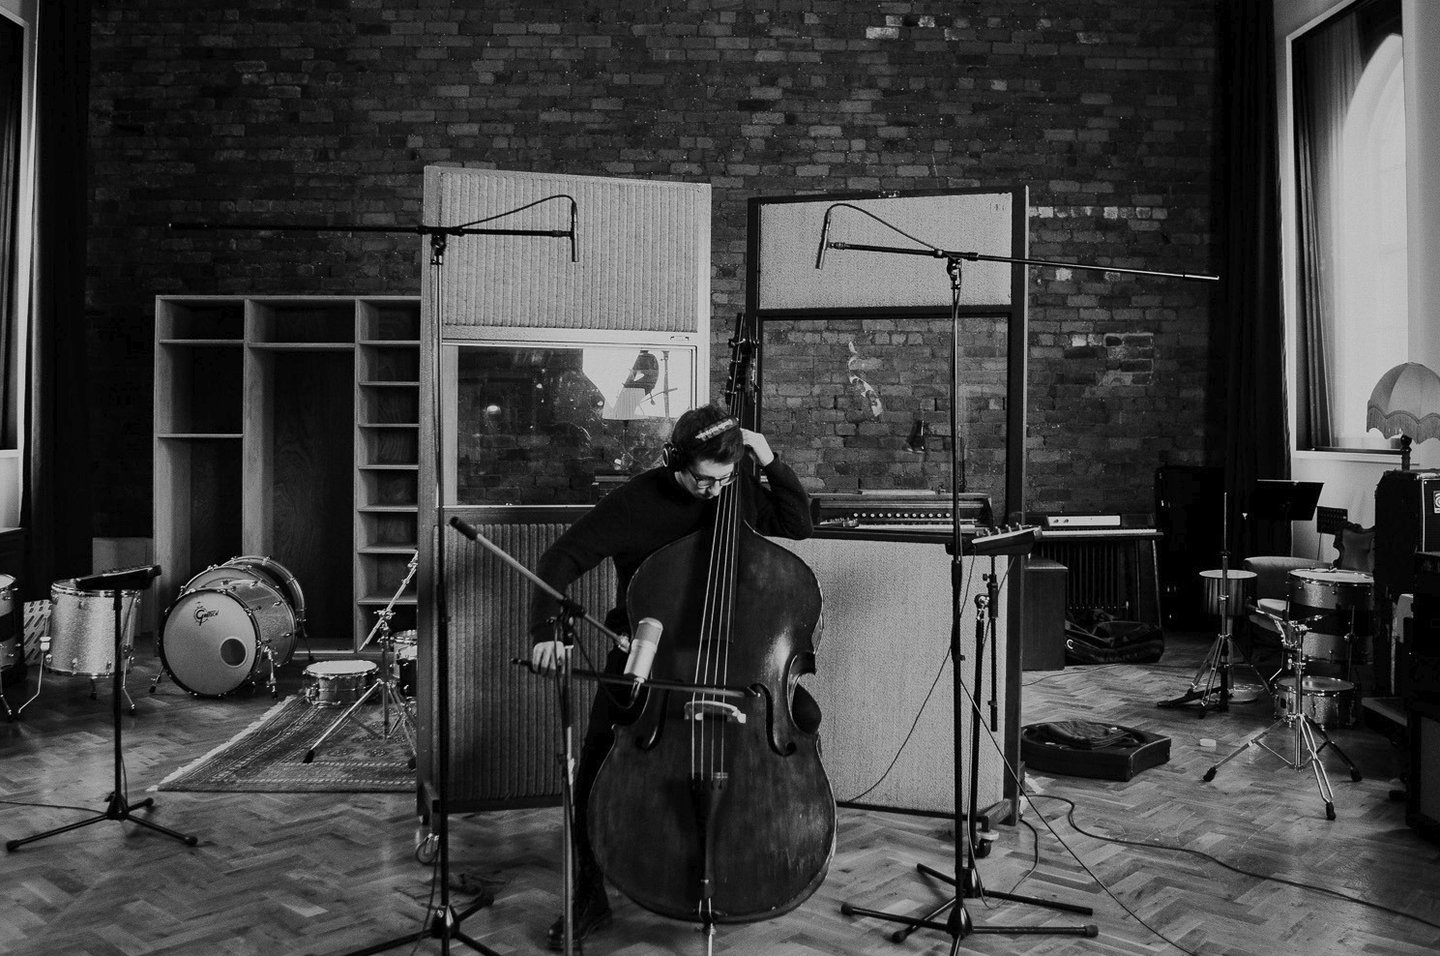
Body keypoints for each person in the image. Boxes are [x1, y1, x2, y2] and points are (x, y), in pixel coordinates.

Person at [527, 402, 815, 950]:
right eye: (704, 480)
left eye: (725, 480)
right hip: (648, 656)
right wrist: (544, 630)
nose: (714, 492)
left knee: (804, 720)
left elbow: (799, 525)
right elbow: (560, 558)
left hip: (742, 667)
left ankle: (749, 862)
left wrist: (768, 460)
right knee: (593, 768)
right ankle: (588, 893)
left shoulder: (738, 488)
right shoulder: (638, 500)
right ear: (675, 460)